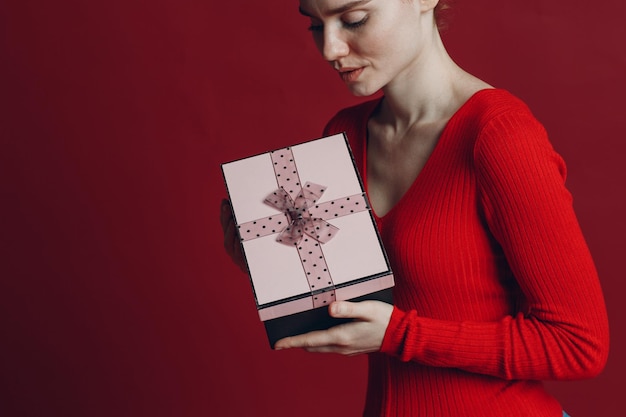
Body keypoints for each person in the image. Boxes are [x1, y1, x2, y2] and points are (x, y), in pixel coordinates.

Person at [220, 1, 609, 416]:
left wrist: (401, 335)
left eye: (354, 20)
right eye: (316, 26)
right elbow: (351, 307)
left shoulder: (498, 135)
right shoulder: (345, 133)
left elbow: (579, 345)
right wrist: (269, 263)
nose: (331, 48)